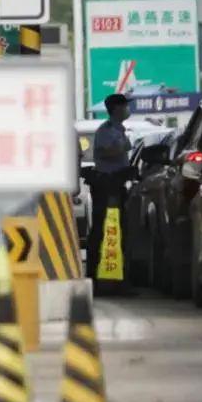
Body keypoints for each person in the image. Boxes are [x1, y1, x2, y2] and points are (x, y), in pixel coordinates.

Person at [87, 93, 133, 290]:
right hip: (107, 185)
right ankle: (97, 277)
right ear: (116, 109)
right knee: (103, 231)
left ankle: (117, 279)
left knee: (119, 231)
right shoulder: (106, 130)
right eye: (124, 106)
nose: (127, 110)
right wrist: (123, 145)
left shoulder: (118, 129)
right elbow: (109, 150)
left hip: (117, 184)